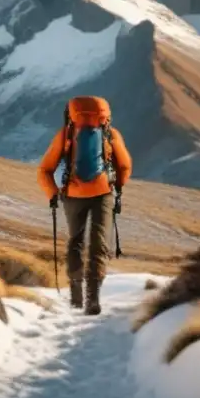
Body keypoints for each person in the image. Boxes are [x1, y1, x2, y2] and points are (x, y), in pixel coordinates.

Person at [37, 96, 132, 315]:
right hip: (103, 194)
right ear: (104, 115)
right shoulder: (111, 134)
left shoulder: (66, 135)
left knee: (75, 242)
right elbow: (125, 166)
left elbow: (44, 170)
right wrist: (117, 186)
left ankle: (76, 294)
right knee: (99, 245)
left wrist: (53, 194)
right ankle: (93, 298)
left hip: (73, 194)